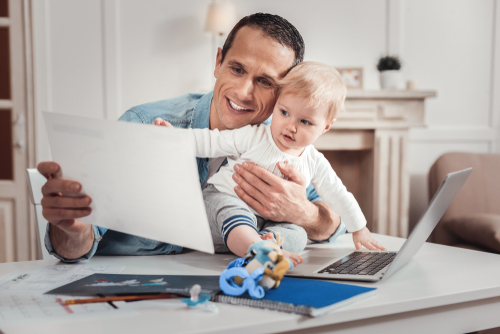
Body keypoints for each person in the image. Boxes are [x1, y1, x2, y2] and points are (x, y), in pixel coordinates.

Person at [37, 13, 376, 263]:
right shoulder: (144, 125)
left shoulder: (287, 146)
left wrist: (303, 213)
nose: (243, 92)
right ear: (218, 62)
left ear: (284, 93)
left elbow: (332, 222)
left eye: (265, 82)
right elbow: (75, 248)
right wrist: (73, 228)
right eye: (237, 69)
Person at [153, 61, 385, 259]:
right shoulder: (255, 135)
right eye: (284, 112)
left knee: (298, 234)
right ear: (276, 105)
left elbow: (338, 194)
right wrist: (175, 138)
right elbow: (211, 141)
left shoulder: (315, 161)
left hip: (266, 222)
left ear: (326, 126)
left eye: (305, 122)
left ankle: (272, 243)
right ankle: (257, 248)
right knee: (235, 213)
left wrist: (359, 228)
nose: (290, 126)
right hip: (222, 201)